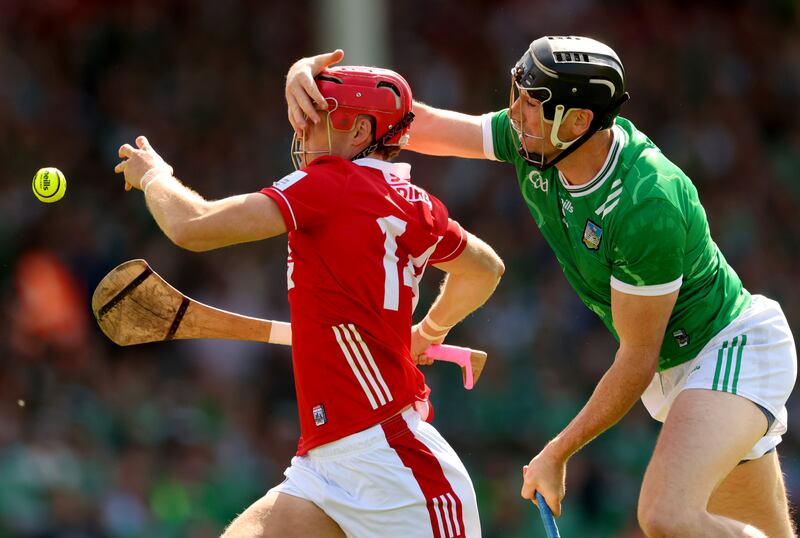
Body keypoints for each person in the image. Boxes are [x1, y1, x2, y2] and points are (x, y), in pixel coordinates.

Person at [285, 37, 797, 537]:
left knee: (667, 515)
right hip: (680, 372)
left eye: (532, 104)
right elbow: (414, 125)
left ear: (576, 121)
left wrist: (558, 451)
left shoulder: (646, 204)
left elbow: (637, 358)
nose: (515, 113)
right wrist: (316, 84)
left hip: (728, 348)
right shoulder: (538, 142)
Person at [115, 65, 504, 537]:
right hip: (326, 462)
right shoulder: (415, 202)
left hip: (398, 469)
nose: (304, 129)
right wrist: (429, 332)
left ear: (360, 130)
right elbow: (484, 268)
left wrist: (155, 176)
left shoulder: (330, 182)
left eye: (319, 117)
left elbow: (191, 226)